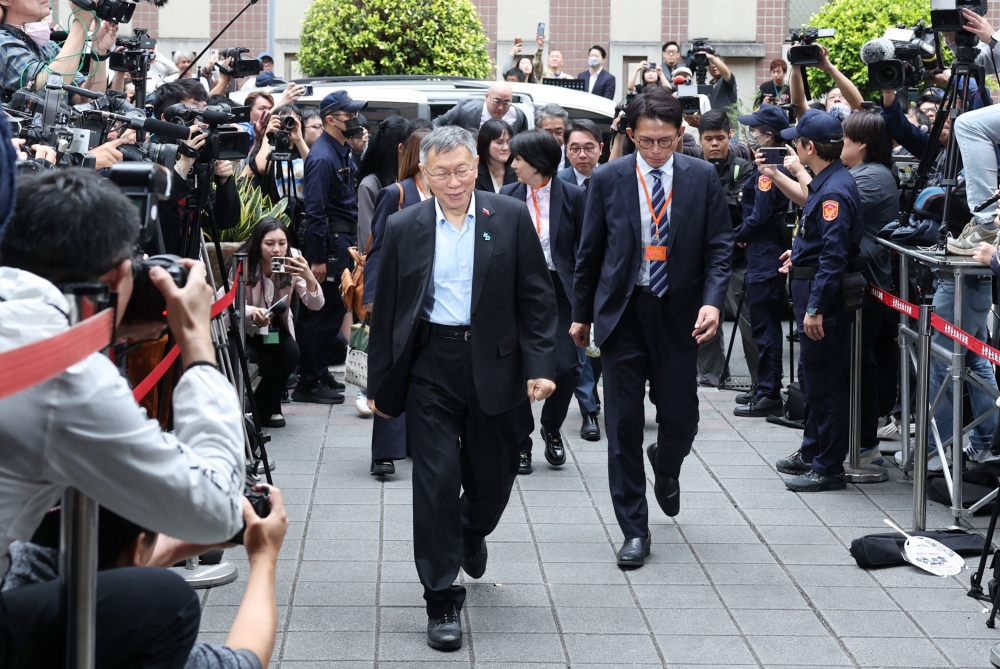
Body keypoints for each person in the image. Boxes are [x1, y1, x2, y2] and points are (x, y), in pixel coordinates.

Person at [0, 168, 246, 666]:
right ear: (115, 278)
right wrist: (198, 346)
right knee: (163, 601)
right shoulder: (66, 377)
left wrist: (103, 328)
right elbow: (218, 508)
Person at [366, 126, 557, 651]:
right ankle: (441, 597)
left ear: (477, 167)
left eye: (461, 170)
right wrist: (378, 384)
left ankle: (471, 530)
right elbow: (388, 309)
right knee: (434, 481)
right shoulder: (405, 225)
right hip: (431, 363)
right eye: (441, 173)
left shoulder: (509, 216)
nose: (453, 182)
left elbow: (537, 298)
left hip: (496, 364)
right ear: (424, 175)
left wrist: (540, 366)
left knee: (493, 480)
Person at [571, 92, 732, 566]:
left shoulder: (701, 176)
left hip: (679, 313)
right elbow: (589, 252)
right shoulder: (609, 177)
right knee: (621, 424)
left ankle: (666, 460)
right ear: (630, 135)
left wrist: (712, 302)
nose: (656, 150)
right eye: (646, 141)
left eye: (665, 141)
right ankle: (633, 529)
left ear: (681, 134)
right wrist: (581, 314)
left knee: (681, 416)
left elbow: (719, 246)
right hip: (623, 312)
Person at [6, 489, 289, 669]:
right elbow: (243, 663)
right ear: (135, 549)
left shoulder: (18, 573)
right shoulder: (141, 629)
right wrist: (263, 556)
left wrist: (178, 545)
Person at [767, 109, 864, 492]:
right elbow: (819, 241)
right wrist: (800, 255)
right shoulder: (828, 182)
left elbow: (834, 256)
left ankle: (828, 466)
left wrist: (815, 308)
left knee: (826, 383)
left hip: (824, 298)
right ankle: (813, 451)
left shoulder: (834, 190)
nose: (794, 147)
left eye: (797, 142)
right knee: (812, 377)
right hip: (811, 286)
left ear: (809, 147)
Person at [501, 129, 586, 474]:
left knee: (566, 366)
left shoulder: (574, 195)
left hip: (562, 290)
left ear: (538, 162)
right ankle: (521, 442)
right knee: (517, 368)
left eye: (519, 158)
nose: (513, 163)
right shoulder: (507, 194)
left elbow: (586, 249)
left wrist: (587, 303)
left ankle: (552, 427)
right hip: (518, 291)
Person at [362, 128, 431, 475]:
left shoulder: (450, 194)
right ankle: (385, 452)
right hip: (398, 294)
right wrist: (372, 295)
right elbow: (377, 246)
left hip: (432, 297)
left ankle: (417, 440)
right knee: (391, 369)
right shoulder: (396, 193)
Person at [296, 90, 368, 404]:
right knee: (325, 314)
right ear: (330, 120)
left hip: (342, 242)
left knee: (334, 310)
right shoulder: (323, 156)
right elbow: (315, 211)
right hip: (330, 246)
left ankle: (319, 370)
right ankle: (308, 382)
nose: (354, 119)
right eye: (348, 115)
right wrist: (317, 258)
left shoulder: (341, 150)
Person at [838, 111, 898, 465]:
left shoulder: (873, 176)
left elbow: (822, 203)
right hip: (861, 281)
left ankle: (864, 444)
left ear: (860, 144)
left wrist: (797, 171)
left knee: (861, 364)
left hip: (868, 284)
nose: (838, 145)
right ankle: (855, 441)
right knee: (857, 362)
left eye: (843, 139)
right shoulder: (862, 173)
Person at [229, 218, 324, 428]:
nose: (277, 250)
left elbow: (316, 304)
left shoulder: (293, 259)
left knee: (290, 353)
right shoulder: (244, 260)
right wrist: (252, 311)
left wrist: (309, 277)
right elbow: (230, 303)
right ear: (258, 243)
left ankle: (258, 411)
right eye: (269, 243)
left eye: (282, 243)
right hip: (241, 325)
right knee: (232, 353)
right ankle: (254, 410)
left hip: (272, 326)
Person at [733, 104, 791, 418]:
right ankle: (763, 386)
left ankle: (769, 391)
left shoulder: (771, 169)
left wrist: (737, 235)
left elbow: (760, 215)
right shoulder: (767, 165)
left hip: (765, 254)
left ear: (769, 135)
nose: (752, 135)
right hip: (762, 250)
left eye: (756, 130)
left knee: (765, 327)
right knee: (762, 325)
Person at [694, 110, 757, 390]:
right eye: (709, 139)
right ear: (700, 139)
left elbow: (745, 211)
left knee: (749, 323)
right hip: (700, 259)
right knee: (704, 320)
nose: (715, 144)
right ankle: (710, 376)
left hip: (737, 259)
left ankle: (760, 383)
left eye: (720, 138)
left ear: (730, 136)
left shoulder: (743, 168)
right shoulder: (692, 166)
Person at [355, 116, 414, 414]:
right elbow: (371, 239)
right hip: (385, 275)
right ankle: (368, 390)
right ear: (401, 148)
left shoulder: (404, 182)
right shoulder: (374, 184)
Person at [558, 119, 604, 441]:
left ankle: (592, 394)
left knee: (599, 347)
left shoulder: (613, 179)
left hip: (609, 276)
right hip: (572, 279)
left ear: (601, 148)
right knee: (579, 345)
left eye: (588, 148)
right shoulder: (558, 184)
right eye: (574, 148)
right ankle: (589, 410)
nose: (582, 155)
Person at [0, 0, 115, 100]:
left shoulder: (46, 45)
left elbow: (86, 99)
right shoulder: (2, 42)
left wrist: (98, 51)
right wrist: (81, 22)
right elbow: (45, 92)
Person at [249, 104, 310, 218]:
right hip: (272, 212)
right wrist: (269, 134)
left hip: (301, 212)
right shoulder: (265, 147)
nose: (288, 123)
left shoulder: (302, 148)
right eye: (284, 118)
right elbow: (262, 168)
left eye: (295, 119)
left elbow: (314, 168)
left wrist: (299, 139)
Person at [788, 45, 863, 121]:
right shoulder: (818, 124)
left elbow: (859, 105)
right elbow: (798, 106)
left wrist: (829, 67)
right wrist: (796, 66)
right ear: (826, 108)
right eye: (832, 97)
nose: (837, 99)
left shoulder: (857, 124)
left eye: (842, 96)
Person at [432, 81, 528, 134]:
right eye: (497, 101)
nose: (501, 108)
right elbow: (436, 123)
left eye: (506, 103)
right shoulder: (465, 109)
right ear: (486, 97)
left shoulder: (517, 116)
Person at [474, 118, 517, 193]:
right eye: (499, 143)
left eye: (508, 142)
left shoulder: (518, 172)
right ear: (485, 143)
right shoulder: (474, 173)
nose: (505, 148)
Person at [534, 103, 570, 169]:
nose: (554, 138)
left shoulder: (574, 153)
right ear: (537, 131)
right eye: (548, 133)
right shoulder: (529, 155)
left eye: (559, 132)